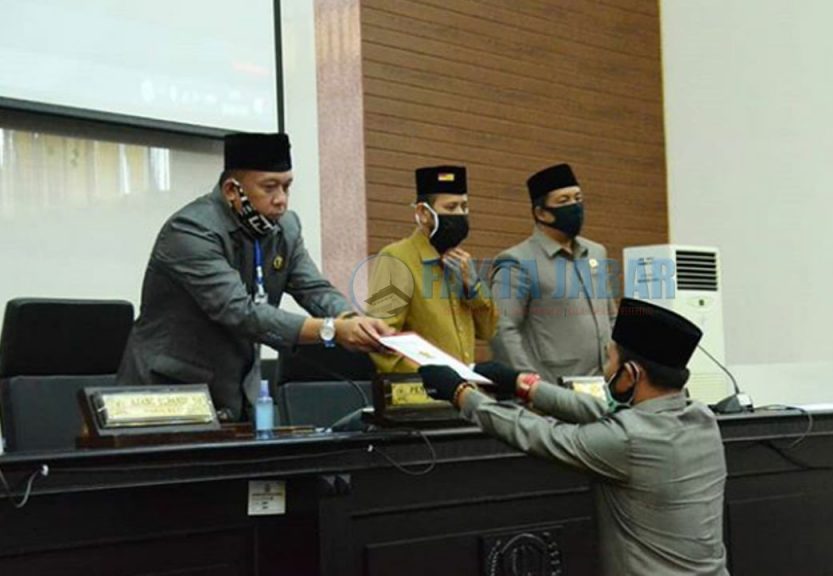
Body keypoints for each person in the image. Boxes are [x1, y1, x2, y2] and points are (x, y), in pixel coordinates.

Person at [419, 298, 729, 576]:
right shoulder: (701, 418)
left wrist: (462, 394)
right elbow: (600, 412)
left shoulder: (628, 441)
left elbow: (538, 434)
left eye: (609, 360)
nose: (605, 370)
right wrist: (522, 384)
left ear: (631, 374)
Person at [118, 132, 392, 420]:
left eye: (287, 187)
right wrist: (332, 330)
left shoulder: (285, 228)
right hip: (168, 394)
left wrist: (352, 320)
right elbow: (239, 312)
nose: (281, 200)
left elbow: (314, 289)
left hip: (236, 394)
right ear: (231, 190)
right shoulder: (190, 231)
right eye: (269, 188)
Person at [489, 163, 616, 384]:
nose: (575, 206)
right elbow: (502, 329)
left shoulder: (595, 252)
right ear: (541, 213)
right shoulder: (517, 262)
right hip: (553, 389)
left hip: (602, 386)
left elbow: (610, 315)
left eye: (578, 198)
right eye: (563, 201)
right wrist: (530, 384)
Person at [367, 165, 497, 373]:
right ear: (424, 213)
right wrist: (433, 377)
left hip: (465, 387)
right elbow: (381, 341)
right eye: (451, 208)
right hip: (424, 388)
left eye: (464, 207)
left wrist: (473, 288)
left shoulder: (460, 263)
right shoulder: (397, 258)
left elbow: (489, 331)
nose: (460, 214)